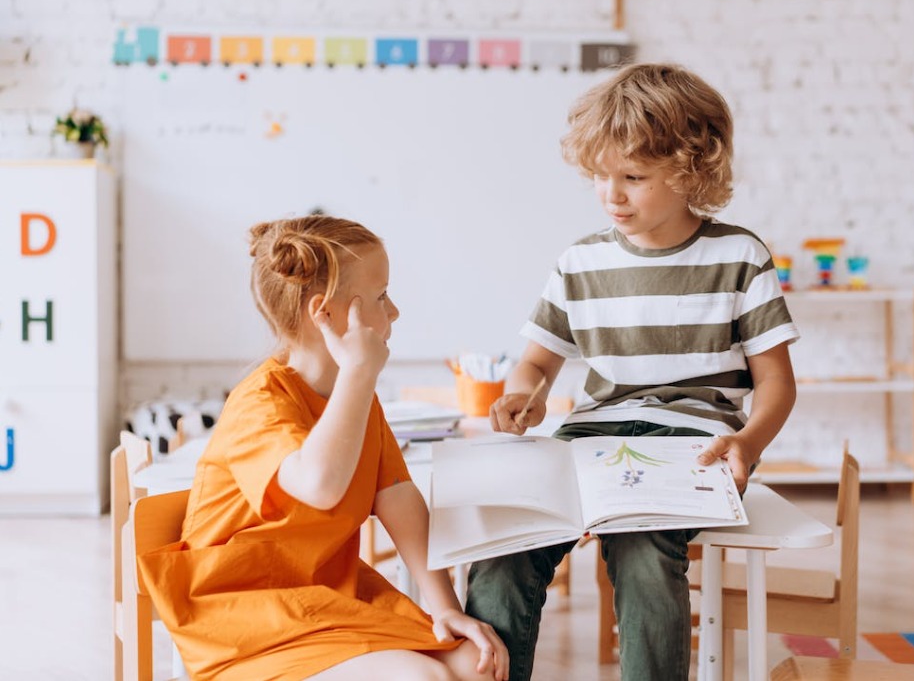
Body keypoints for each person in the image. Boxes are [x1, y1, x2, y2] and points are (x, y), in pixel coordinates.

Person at [464, 62, 799, 681]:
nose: (611, 194)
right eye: (600, 176)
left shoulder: (739, 257)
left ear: (692, 170)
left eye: (633, 177)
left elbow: (777, 380)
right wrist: (526, 394)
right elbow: (540, 359)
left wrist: (748, 443)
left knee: (644, 551)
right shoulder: (579, 262)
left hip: (693, 444)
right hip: (591, 439)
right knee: (505, 548)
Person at [138, 215, 509, 681]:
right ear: (326, 314)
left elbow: (395, 494)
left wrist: (445, 608)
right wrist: (359, 373)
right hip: (245, 617)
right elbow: (320, 485)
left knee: (476, 668)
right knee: (423, 679)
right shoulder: (259, 403)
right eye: (381, 297)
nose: (393, 312)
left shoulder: (354, 396)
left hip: (329, 596)